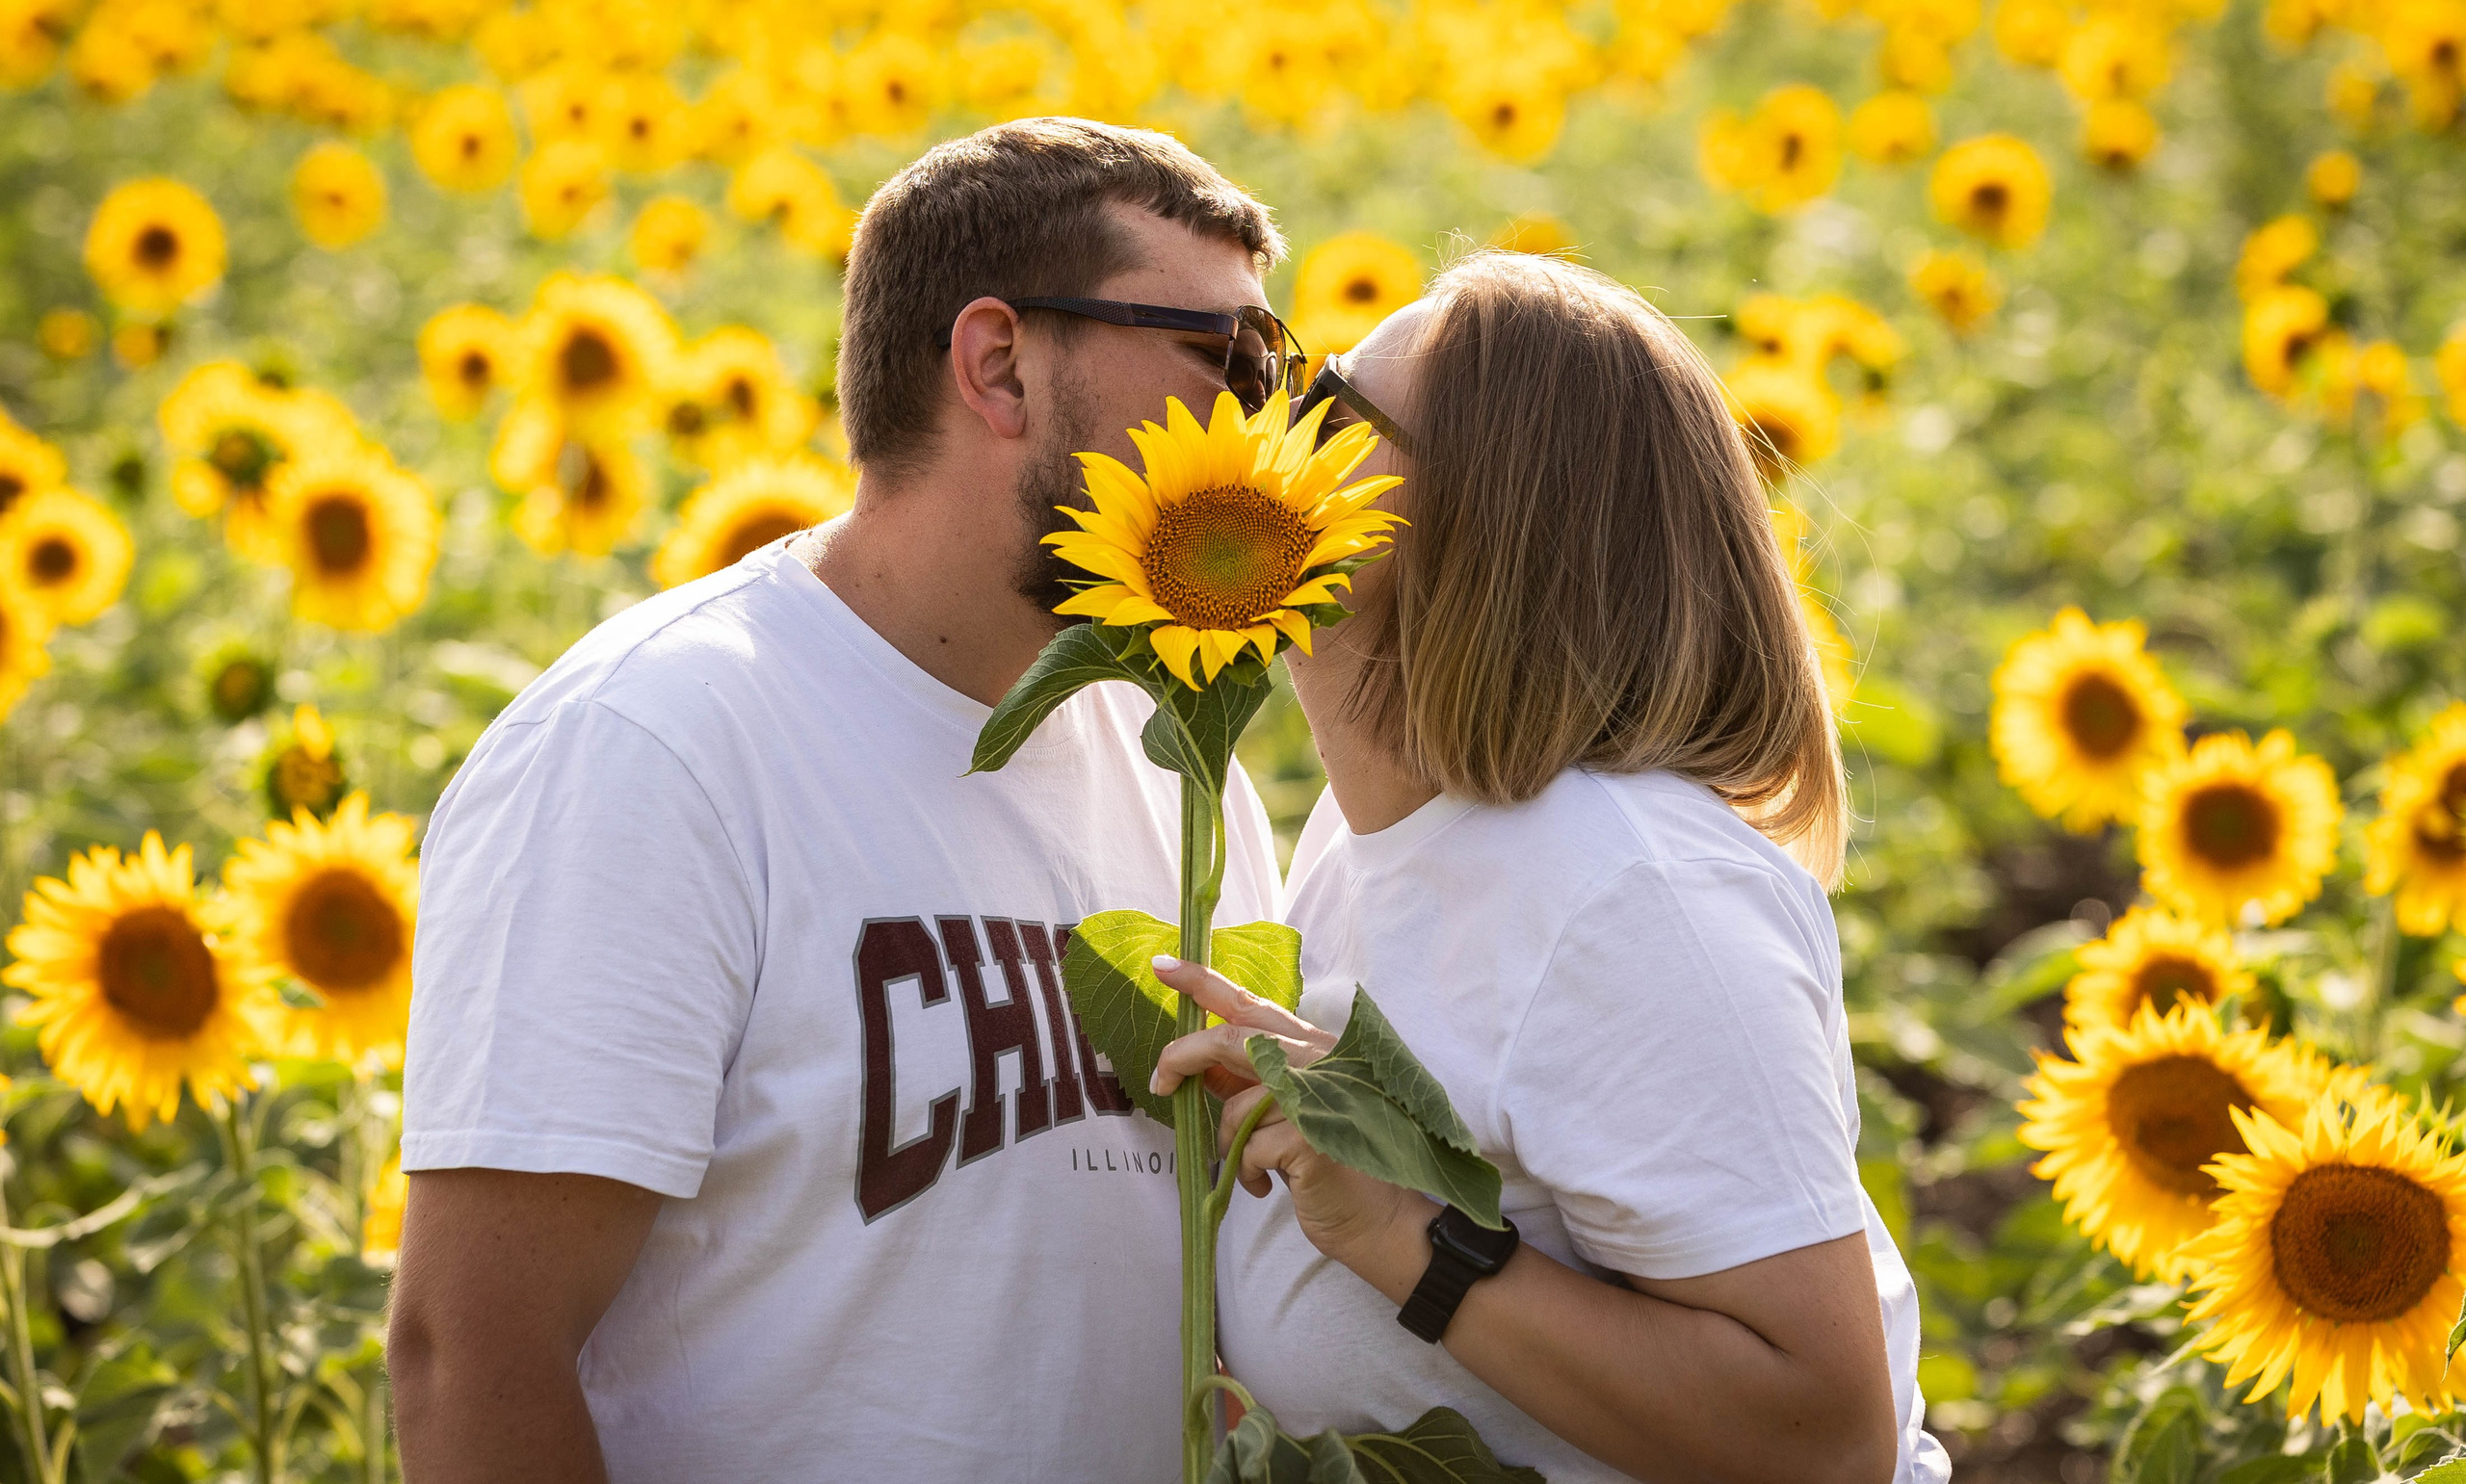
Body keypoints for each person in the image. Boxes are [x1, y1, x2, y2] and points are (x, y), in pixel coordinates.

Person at [386, 119, 1299, 1483]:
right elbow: (472, 1353)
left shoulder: (1175, 755)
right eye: (1220, 357)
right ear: (1000, 365)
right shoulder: (656, 744)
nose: (1260, 420)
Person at [1150, 251, 1952, 1483]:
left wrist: (1402, 1238)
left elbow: (1826, 1437)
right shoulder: (1376, 837)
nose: (1262, 424)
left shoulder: (1625, 891)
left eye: (1330, 409)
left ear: (1489, 522)